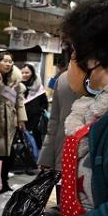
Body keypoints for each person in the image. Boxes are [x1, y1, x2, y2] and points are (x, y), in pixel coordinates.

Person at [35, 0, 108, 216]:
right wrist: (66, 214)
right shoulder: (98, 111)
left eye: (73, 53)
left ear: (93, 60)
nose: (71, 62)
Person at [38, 69, 78, 205]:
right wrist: (47, 156)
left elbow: (54, 122)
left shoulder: (63, 78)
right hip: (68, 158)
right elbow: (54, 121)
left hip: (64, 158)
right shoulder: (64, 79)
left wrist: (46, 157)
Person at [0, 52, 27, 192]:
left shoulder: (15, 80)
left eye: (10, 61)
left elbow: (19, 101)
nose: (8, 64)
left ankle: (3, 181)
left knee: (8, 155)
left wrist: (21, 119)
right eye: (5, 61)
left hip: (10, 122)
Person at [20, 63, 49, 150]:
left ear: (32, 73)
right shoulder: (17, 85)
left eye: (27, 73)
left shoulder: (39, 87)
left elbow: (44, 103)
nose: (24, 75)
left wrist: (39, 111)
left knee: (36, 142)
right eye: (22, 73)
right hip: (21, 120)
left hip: (35, 121)